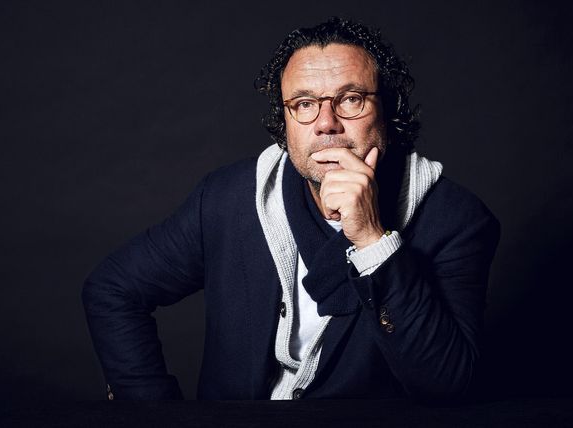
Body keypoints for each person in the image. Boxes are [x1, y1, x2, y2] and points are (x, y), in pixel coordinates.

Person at [82, 17, 500, 401]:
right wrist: (152, 411)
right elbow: (113, 289)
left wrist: (373, 240)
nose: (326, 122)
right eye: (303, 104)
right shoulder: (228, 198)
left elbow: (448, 386)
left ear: (388, 111)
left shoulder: (456, 220)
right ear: (284, 120)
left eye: (351, 99)